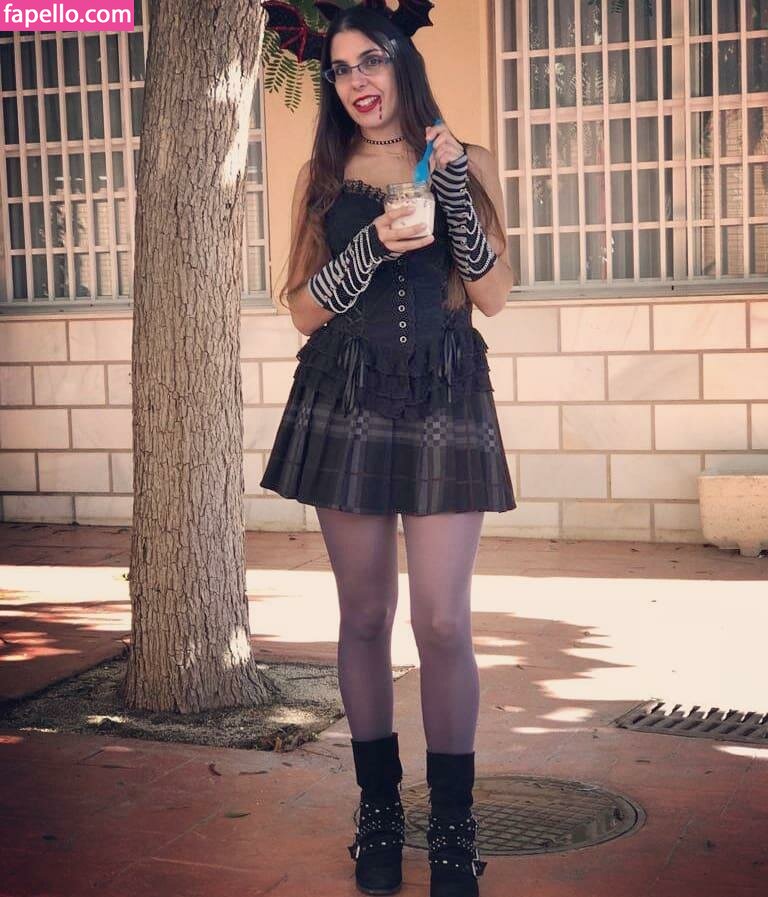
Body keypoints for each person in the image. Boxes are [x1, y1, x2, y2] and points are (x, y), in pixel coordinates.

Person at [260, 4, 516, 895]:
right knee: (365, 616)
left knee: (442, 621)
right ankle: (377, 812)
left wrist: (452, 191)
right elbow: (301, 309)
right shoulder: (322, 177)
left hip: (445, 393)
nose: (357, 81)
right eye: (340, 69)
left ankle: (453, 824)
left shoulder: (468, 159)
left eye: (371, 60)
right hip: (348, 397)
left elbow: (493, 294)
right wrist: (369, 244)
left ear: (404, 62)